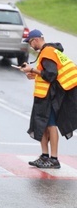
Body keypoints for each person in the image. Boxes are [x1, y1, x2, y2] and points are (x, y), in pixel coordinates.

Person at [19, 29, 77, 169]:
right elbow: (46, 73)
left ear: (36, 39)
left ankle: (54, 159)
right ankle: (45, 156)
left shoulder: (47, 52)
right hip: (46, 94)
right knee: (43, 125)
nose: (30, 45)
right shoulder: (49, 51)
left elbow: (51, 75)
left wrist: (32, 70)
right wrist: (32, 74)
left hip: (51, 95)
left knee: (50, 125)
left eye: (30, 42)